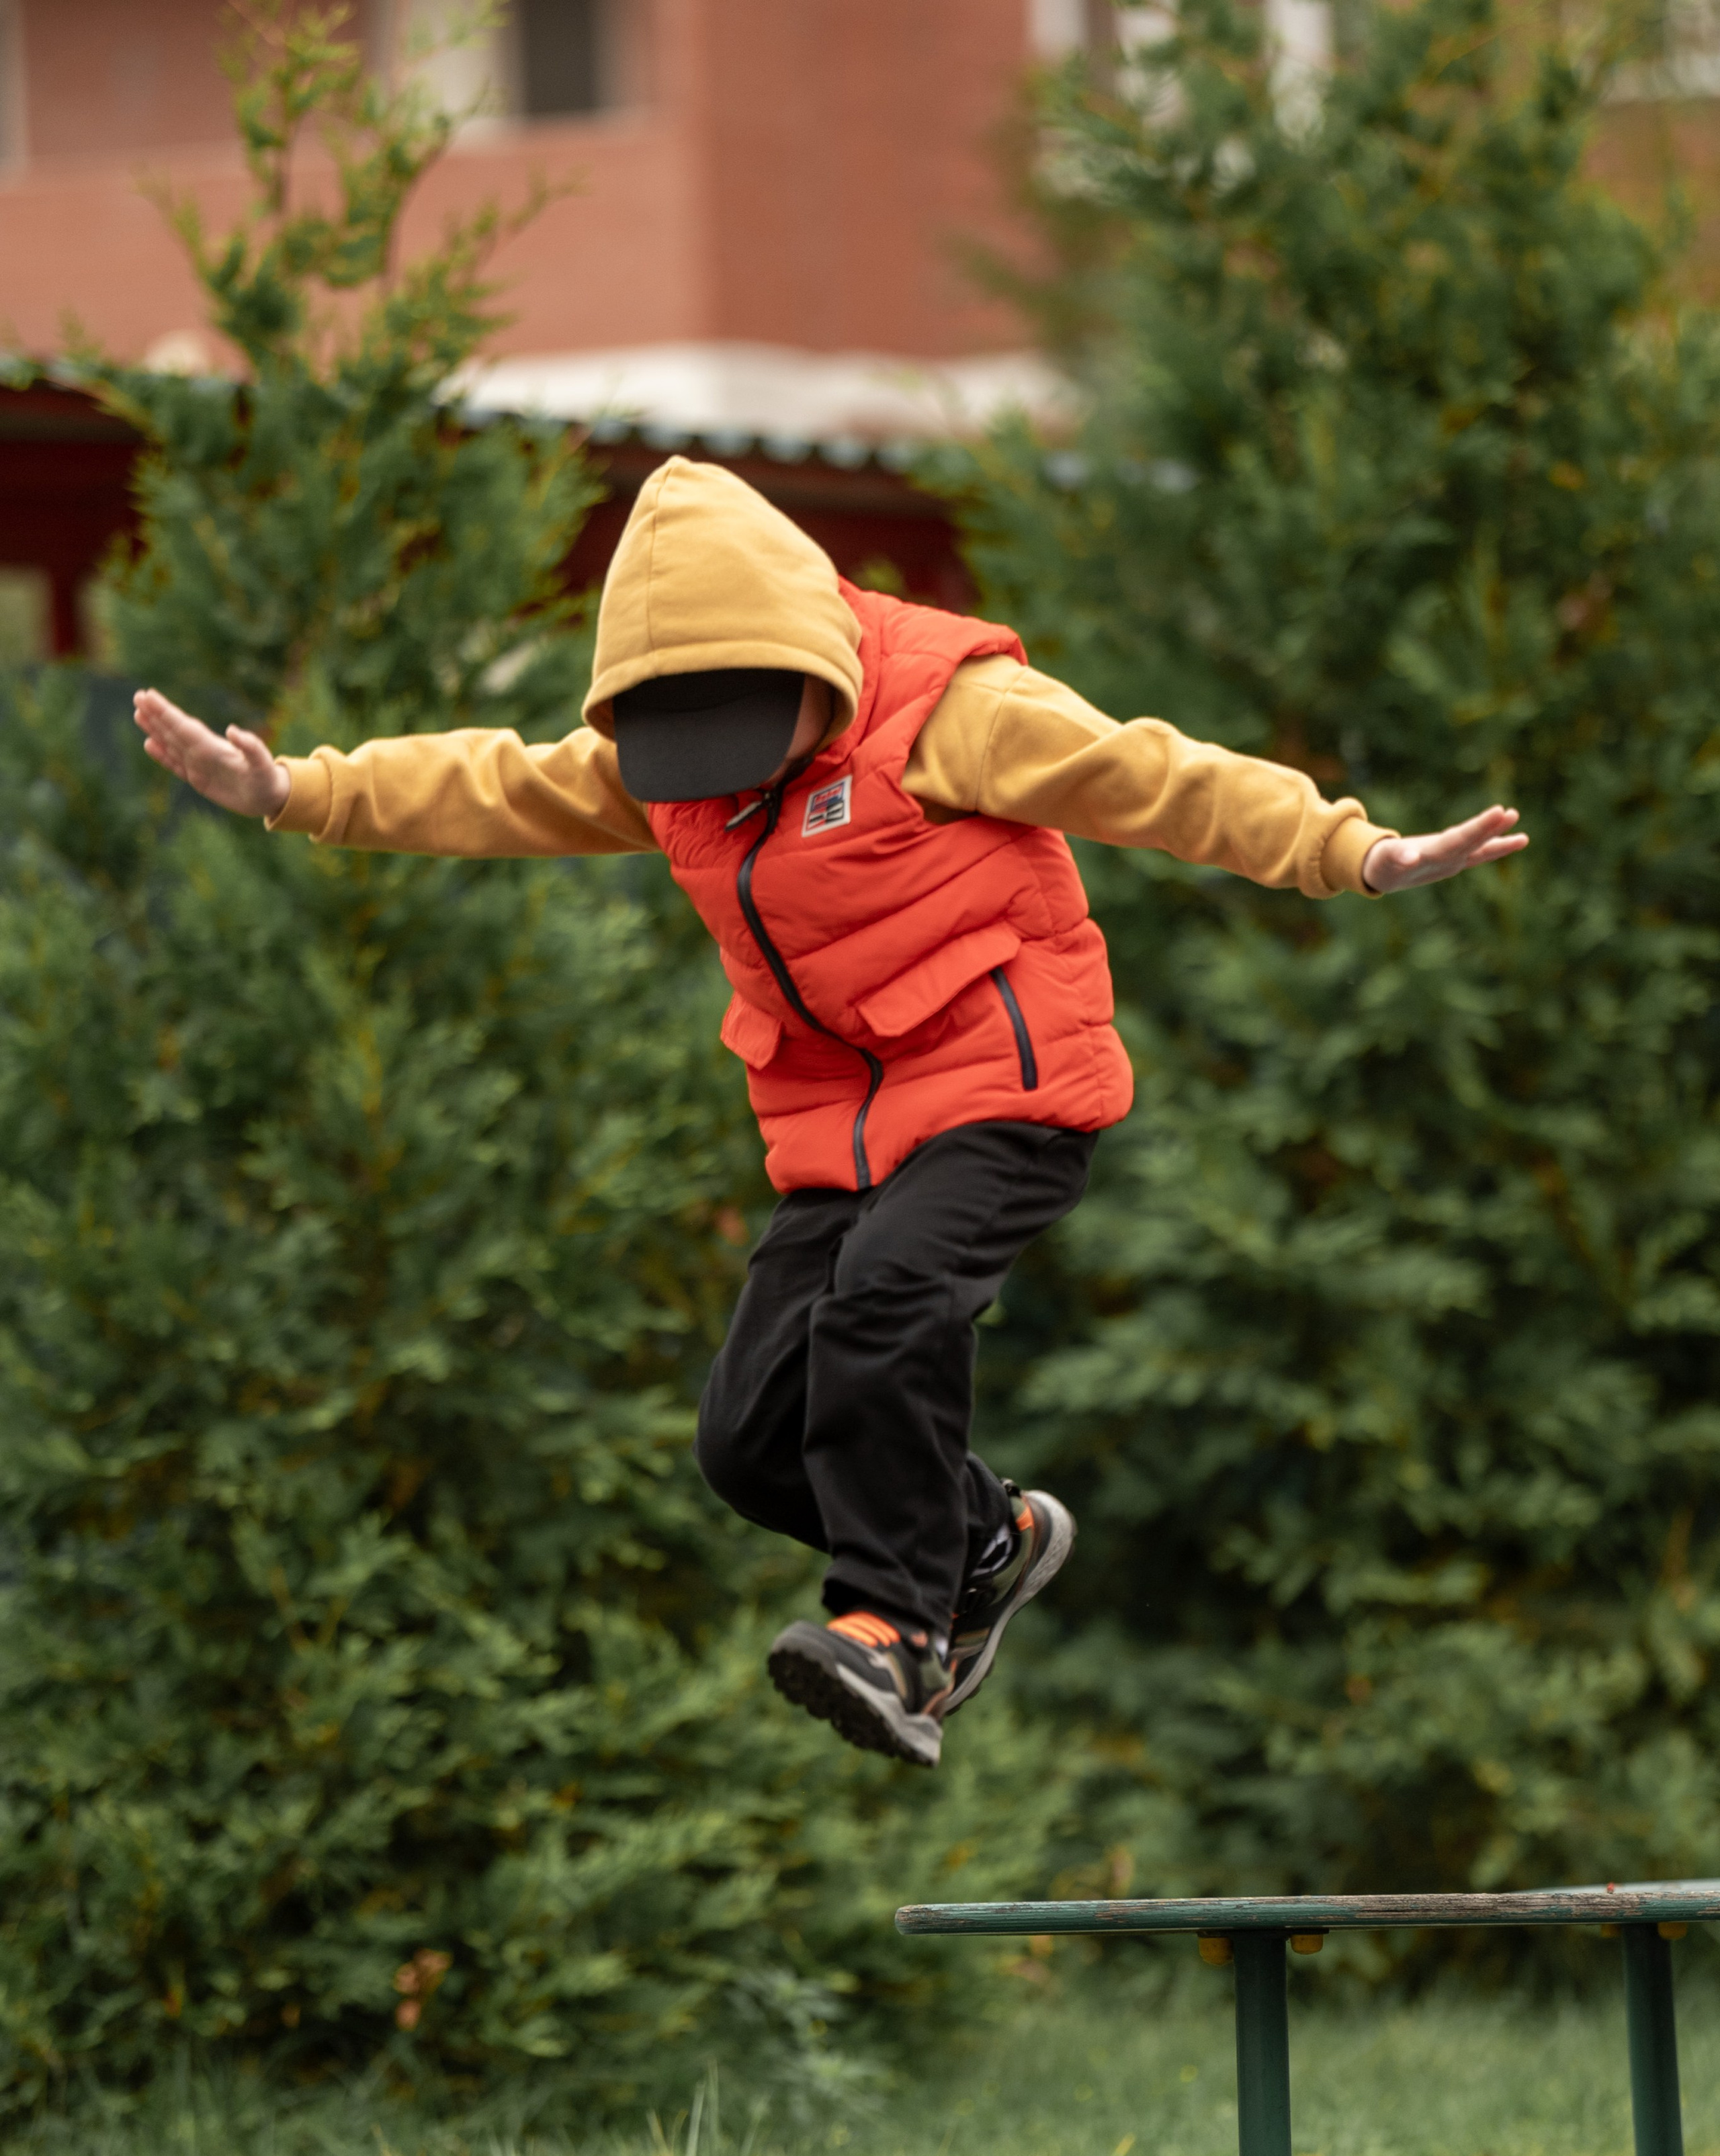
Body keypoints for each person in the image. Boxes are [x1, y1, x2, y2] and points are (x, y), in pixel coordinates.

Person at [134, 458, 1526, 1769]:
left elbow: (1153, 776)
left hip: (1004, 1084)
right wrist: (296, 790)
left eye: (751, 743)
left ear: (817, 662)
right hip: (838, 1128)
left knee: (884, 1306)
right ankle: (981, 1541)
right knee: (746, 1437)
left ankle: (897, 1630)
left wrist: (1349, 848)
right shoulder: (670, 771)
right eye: (698, 754)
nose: (726, 780)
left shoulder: (948, 713)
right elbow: (495, 781)